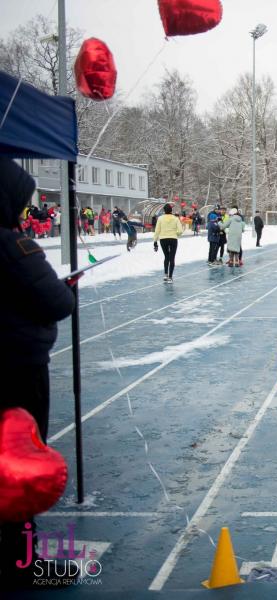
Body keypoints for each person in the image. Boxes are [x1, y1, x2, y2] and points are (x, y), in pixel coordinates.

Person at [0, 159, 77, 589]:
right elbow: (56, 303)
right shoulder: (15, 246)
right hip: (16, 371)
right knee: (19, 467)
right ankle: (22, 560)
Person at [153, 203, 184, 283]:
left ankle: (165, 274)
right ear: (171, 210)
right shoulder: (175, 218)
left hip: (163, 239)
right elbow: (180, 231)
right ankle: (170, 277)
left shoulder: (160, 218)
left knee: (166, 256)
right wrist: (175, 234)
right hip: (173, 239)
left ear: (164, 211)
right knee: (172, 257)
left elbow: (157, 231)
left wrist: (155, 241)